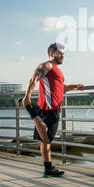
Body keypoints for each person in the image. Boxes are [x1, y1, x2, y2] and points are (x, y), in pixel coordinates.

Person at [22, 42, 84, 178]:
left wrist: (75, 86)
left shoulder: (56, 70)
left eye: (63, 54)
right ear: (51, 54)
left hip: (49, 108)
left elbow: (62, 87)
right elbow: (33, 79)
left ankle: (48, 168)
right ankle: (29, 109)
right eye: (59, 54)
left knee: (45, 140)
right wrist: (27, 97)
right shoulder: (47, 65)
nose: (62, 56)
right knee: (47, 138)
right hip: (50, 108)